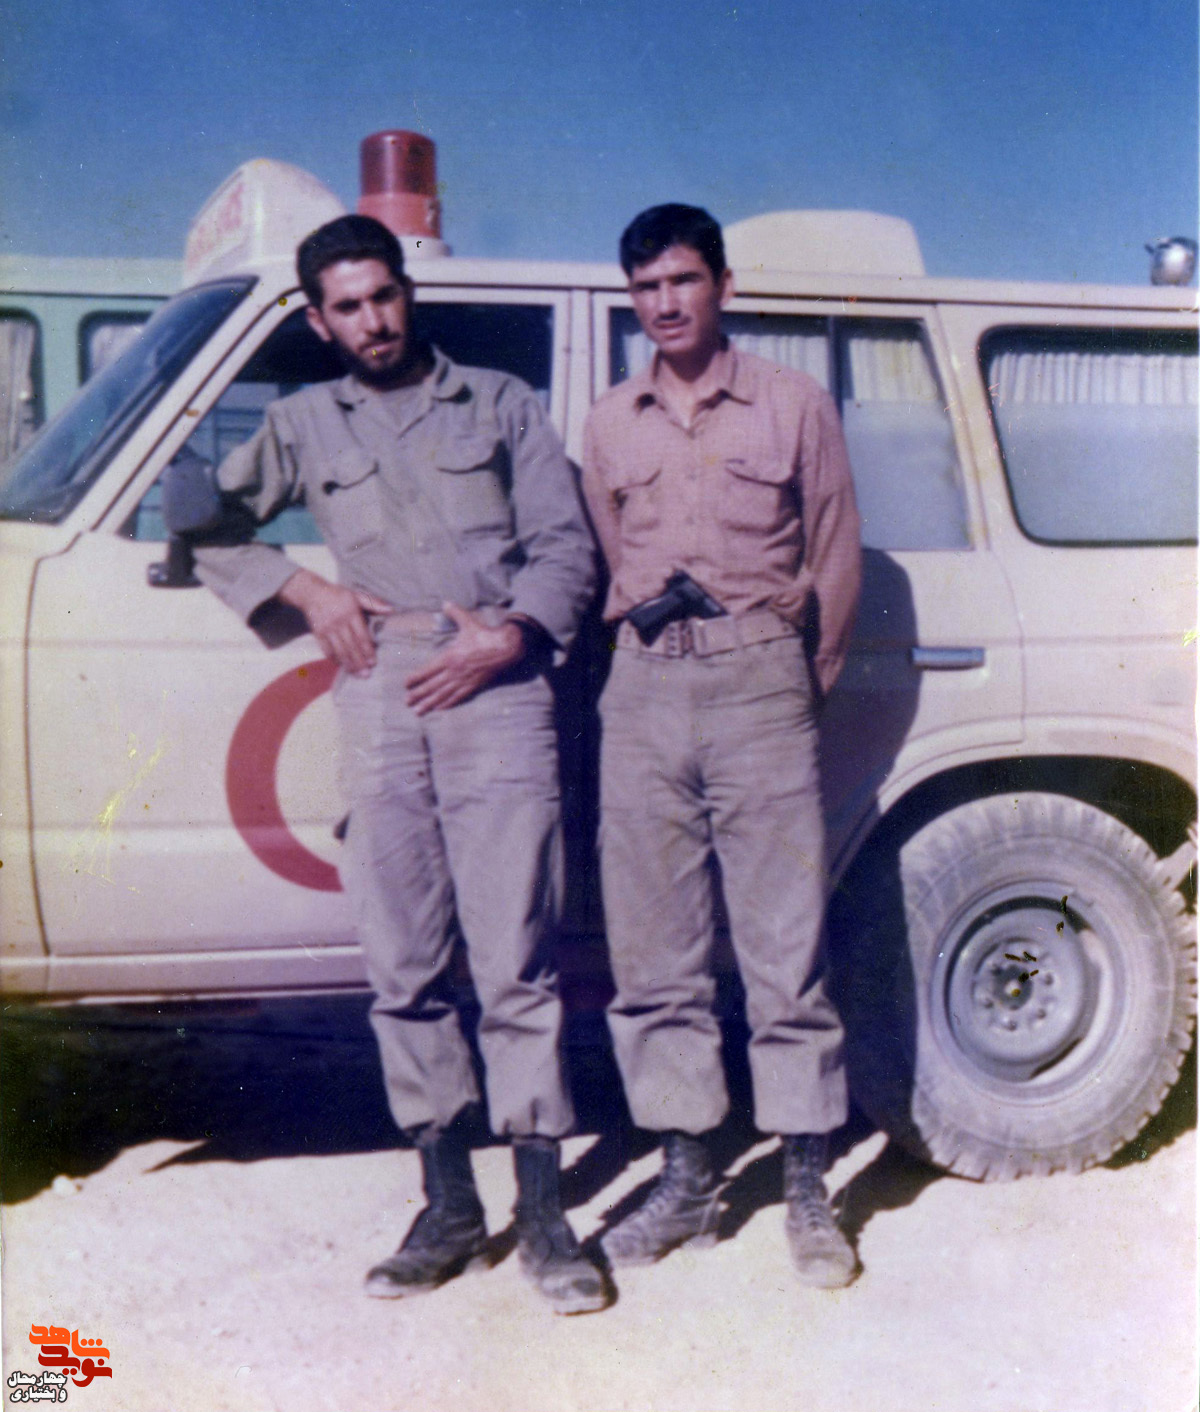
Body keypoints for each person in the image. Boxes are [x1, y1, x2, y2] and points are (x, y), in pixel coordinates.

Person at [192, 214, 606, 1315]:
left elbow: (567, 546)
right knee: (404, 961)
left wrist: (511, 635)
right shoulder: (300, 423)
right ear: (320, 321)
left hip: (498, 686)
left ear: (407, 294)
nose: (373, 321)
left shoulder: (501, 403)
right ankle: (449, 1205)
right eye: (349, 307)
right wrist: (305, 589)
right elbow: (195, 519)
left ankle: (547, 1215)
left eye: (384, 296)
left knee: (516, 958)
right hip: (377, 685)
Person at [580, 204, 863, 1288]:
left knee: (785, 950)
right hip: (646, 686)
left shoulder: (793, 404)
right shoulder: (611, 421)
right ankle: (687, 1177)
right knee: (655, 956)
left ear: (723, 285)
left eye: (683, 280)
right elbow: (614, 551)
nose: (666, 303)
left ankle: (807, 1186)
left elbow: (834, 557)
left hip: (760, 686)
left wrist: (789, 681)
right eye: (646, 287)